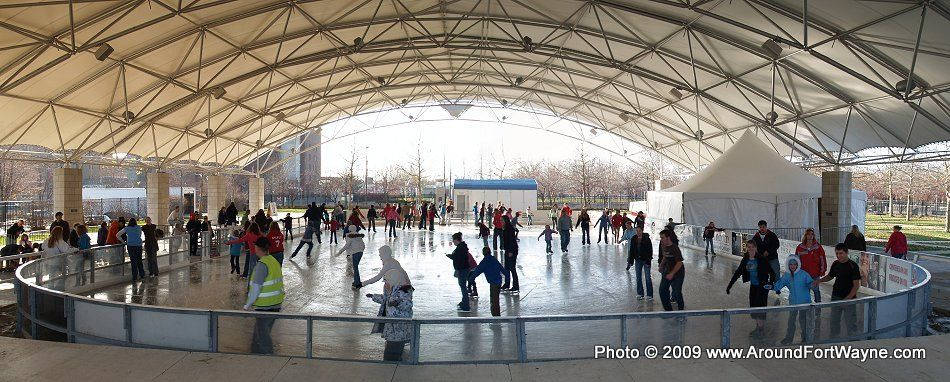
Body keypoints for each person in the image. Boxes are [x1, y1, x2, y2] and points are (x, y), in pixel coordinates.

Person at [356, 245, 414, 361]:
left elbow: (378, 277)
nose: (380, 256)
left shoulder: (391, 267)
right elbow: (386, 299)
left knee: (396, 338)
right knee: (393, 328)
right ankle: (396, 345)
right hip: (396, 287)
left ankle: (395, 351)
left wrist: (362, 284)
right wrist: (374, 297)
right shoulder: (391, 264)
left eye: (380, 254)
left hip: (399, 288)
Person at [242, 237, 284, 355]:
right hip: (276, 303)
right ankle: (254, 353)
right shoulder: (273, 261)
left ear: (257, 248)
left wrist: (247, 305)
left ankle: (268, 357)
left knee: (263, 336)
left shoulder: (262, 265)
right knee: (259, 334)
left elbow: (256, 288)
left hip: (266, 306)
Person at [726, 240, 776, 336]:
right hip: (753, 285)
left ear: (755, 248)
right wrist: (730, 285)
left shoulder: (761, 259)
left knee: (760, 306)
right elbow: (738, 272)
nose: (750, 249)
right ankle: (758, 327)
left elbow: (772, 272)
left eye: (752, 247)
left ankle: (761, 329)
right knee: (753, 306)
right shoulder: (746, 259)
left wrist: (770, 283)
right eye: (749, 247)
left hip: (762, 286)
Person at [813, 243, 862, 338]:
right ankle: (834, 339)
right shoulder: (836, 264)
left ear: (846, 253)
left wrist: (848, 298)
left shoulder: (853, 266)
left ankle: (853, 341)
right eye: (837, 253)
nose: (839, 256)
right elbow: (830, 276)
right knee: (834, 320)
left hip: (849, 298)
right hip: (835, 296)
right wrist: (819, 280)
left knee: (851, 321)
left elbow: (856, 285)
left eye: (841, 253)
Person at [773, 255, 815, 344]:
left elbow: (811, 284)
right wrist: (772, 286)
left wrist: (813, 285)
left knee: (803, 321)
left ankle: (805, 337)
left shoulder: (804, 274)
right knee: (791, 321)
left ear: (798, 265)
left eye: (794, 264)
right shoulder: (787, 275)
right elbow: (779, 285)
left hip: (804, 302)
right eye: (791, 264)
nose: (792, 266)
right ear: (788, 265)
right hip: (793, 302)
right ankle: (789, 338)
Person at [469, 246, 506, 317]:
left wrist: (471, 279)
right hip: (499, 282)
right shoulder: (494, 259)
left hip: (494, 283)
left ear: (483, 253)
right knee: (495, 300)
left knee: (494, 300)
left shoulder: (484, 262)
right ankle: (496, 315)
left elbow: (477, 271)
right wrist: (507, 277)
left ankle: (496, 316)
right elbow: (502, 268)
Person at [796, 228, 827, 303]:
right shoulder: (800, 247)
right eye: (808, 234)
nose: (810, 236)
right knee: (805, 290)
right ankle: (805, 306)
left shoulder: (818, 247)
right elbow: (796, 260)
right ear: (806, 235)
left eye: (812, 234)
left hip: (815, 273)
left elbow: (822, 258)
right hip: (804, 274)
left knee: (816, 290)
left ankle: (818, 306)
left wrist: (822, 269)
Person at [657, 229, 685, 311]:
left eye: (662, 238)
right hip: (667, 270)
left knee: (677, 292)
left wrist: (672, 273)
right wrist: (661, 265)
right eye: (660, 238)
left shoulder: (674, 248)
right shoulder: (663, 245)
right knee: (662, 290)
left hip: (678, 272)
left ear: (668, 238)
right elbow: (665, 256)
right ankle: (668, 310)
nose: (661, 239)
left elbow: (679, 263)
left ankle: (681, 310)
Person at [447, 232, 472, 312]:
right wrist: (451, 256)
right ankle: (464, 302)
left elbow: (459, 260)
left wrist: (457, 269)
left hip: (462, 270)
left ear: (457, 240)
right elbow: (457, 257)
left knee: (463, 287)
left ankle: (466, 305)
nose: (453, 242)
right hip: (463, 269)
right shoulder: (461, 247)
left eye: (453, 240)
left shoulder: (460, 248)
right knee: (463, 286)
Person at [627, 225, 653, 300]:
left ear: (642, 231)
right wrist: (630, 261)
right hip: (638, 260)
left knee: (648, 277)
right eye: (636, 231)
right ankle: (640, 293)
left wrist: (648, 260)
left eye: (639, 230)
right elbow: (631, 250)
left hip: (646, 260)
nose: (638, 232)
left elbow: (650, 250)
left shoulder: (646, 238)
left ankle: (649, 294)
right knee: (638, 277)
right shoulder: (633, 238)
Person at [500, 216, 520, 293]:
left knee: (512, 268)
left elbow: (511, 240)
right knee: (507, 268)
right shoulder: (505, 228)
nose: (501, 222)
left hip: (512, 250)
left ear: (506, 221)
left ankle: (515, 286)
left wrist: (511, 251)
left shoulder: (509, 228)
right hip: (507, 249)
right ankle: (507, 284)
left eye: (502, 220)